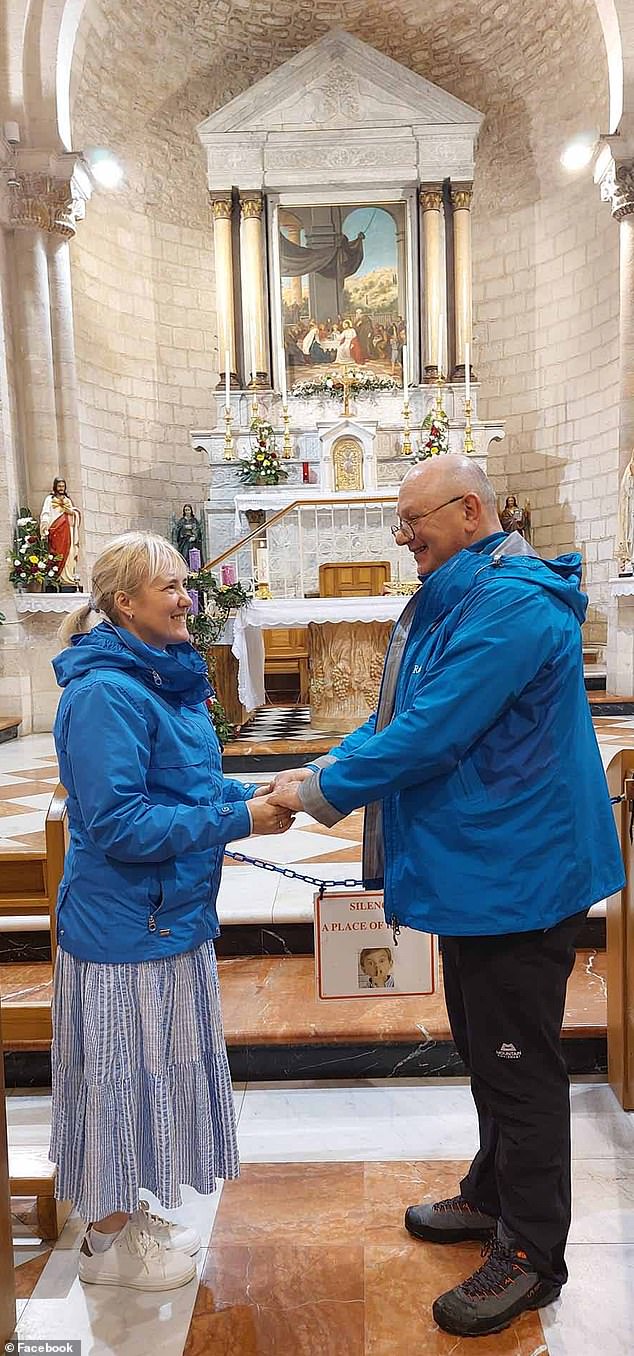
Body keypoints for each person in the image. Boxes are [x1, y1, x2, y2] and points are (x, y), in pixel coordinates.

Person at [268, 455, 624, 1339]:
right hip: (484, 870)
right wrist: (320, 767)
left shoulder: (508, 604)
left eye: (412, 521)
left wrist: (314, 793)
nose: (403, 538)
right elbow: (399, 714)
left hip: (519, 873)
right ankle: (493, 1194)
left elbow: (430, 733)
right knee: (485, 1043)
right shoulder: (464, 593)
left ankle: (532, 1253)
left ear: (469, 510)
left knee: (520, 1065)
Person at [50, 531, 294, 1293]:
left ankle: (128, 1212)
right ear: (124, 604)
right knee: (120, 1081)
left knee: (152, 1075)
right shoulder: (104, 693)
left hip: (168, 916)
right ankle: (105, 1240)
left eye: (185, 585)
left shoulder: (157, 679)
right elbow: (121, 825)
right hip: (124, 926)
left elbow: (183, 788)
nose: (188, 597)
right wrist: (240, 821)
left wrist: (249, 796)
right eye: (171, 587)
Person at [40, 477, 81, 590]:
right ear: (55, 487)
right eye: (59, 486)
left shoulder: (67, 500)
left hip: (67, 531)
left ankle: (67, 578)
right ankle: (57, 578)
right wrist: (44, 523)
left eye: (63, 486)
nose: (61, 488)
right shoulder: (50, 499)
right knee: (56, 554)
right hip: (56, 531)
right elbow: (46, 512)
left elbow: (74, 515)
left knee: (70, 553)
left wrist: (72, 513)